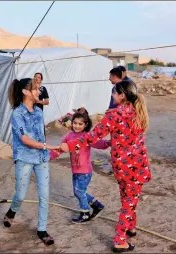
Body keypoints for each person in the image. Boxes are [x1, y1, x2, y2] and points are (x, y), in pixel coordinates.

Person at [60, 80, 151, 253]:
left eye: (114, 93)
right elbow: (93, 137)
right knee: (130, 201)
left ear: (122, 95)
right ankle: (121, 237)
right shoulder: (138, 112)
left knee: (128, 200)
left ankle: (127, 231)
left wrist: (70, 145)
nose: (112, 96)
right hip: (137, 166)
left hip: (123, 167)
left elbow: (91, 137)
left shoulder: (114, 115)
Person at [3, 78, 59, 246]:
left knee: (44, 195)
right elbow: (25, 139)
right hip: (25, 158)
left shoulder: (39, 112)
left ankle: (42, 230)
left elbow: (41, 134)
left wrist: (50, 150)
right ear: (25, 92)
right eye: (35, 89)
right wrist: (48, 146)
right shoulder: (17, 114)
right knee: (20, 194)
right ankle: (12, 212)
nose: (39, 92)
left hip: (41, 158)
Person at [50, 107, 110, 223]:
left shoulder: (87, 137)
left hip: (85, 171)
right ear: (71, 123)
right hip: (76, 171)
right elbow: (59, 149)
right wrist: (47, 157)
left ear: (85, 125)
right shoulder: (69, 136)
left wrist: (108, 143)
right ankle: (97, 205)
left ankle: (85, 213)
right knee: (78, 192)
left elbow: (99, 143)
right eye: (75, 123)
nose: (77, 126)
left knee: (79, 192)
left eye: (80, 124)